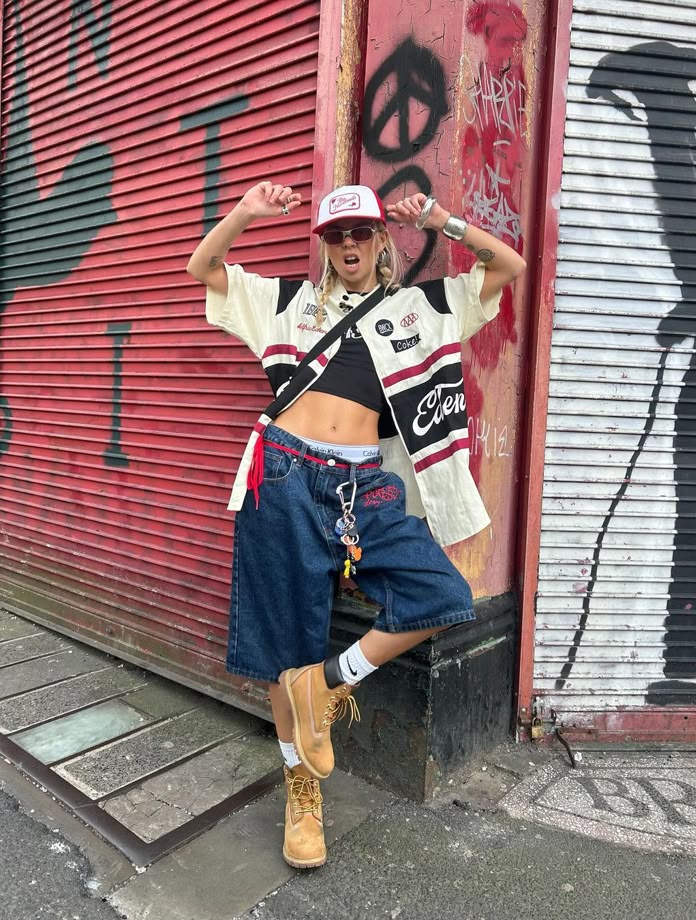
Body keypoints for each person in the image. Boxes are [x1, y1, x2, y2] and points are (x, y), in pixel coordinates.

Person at [187, 180, 526, 868]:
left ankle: (328, 683)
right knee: (287, 649)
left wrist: (442, 222)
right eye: (336, 236)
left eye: (361, 233)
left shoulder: (419, 308)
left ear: (381, 241)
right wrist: (246, 214)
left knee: (442, 594)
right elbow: (204, 270)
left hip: (362, 485)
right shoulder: (289, 302)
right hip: (280, 474)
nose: (348, 245)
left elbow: (508, 267)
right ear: (325, 247)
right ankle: (302, 796)